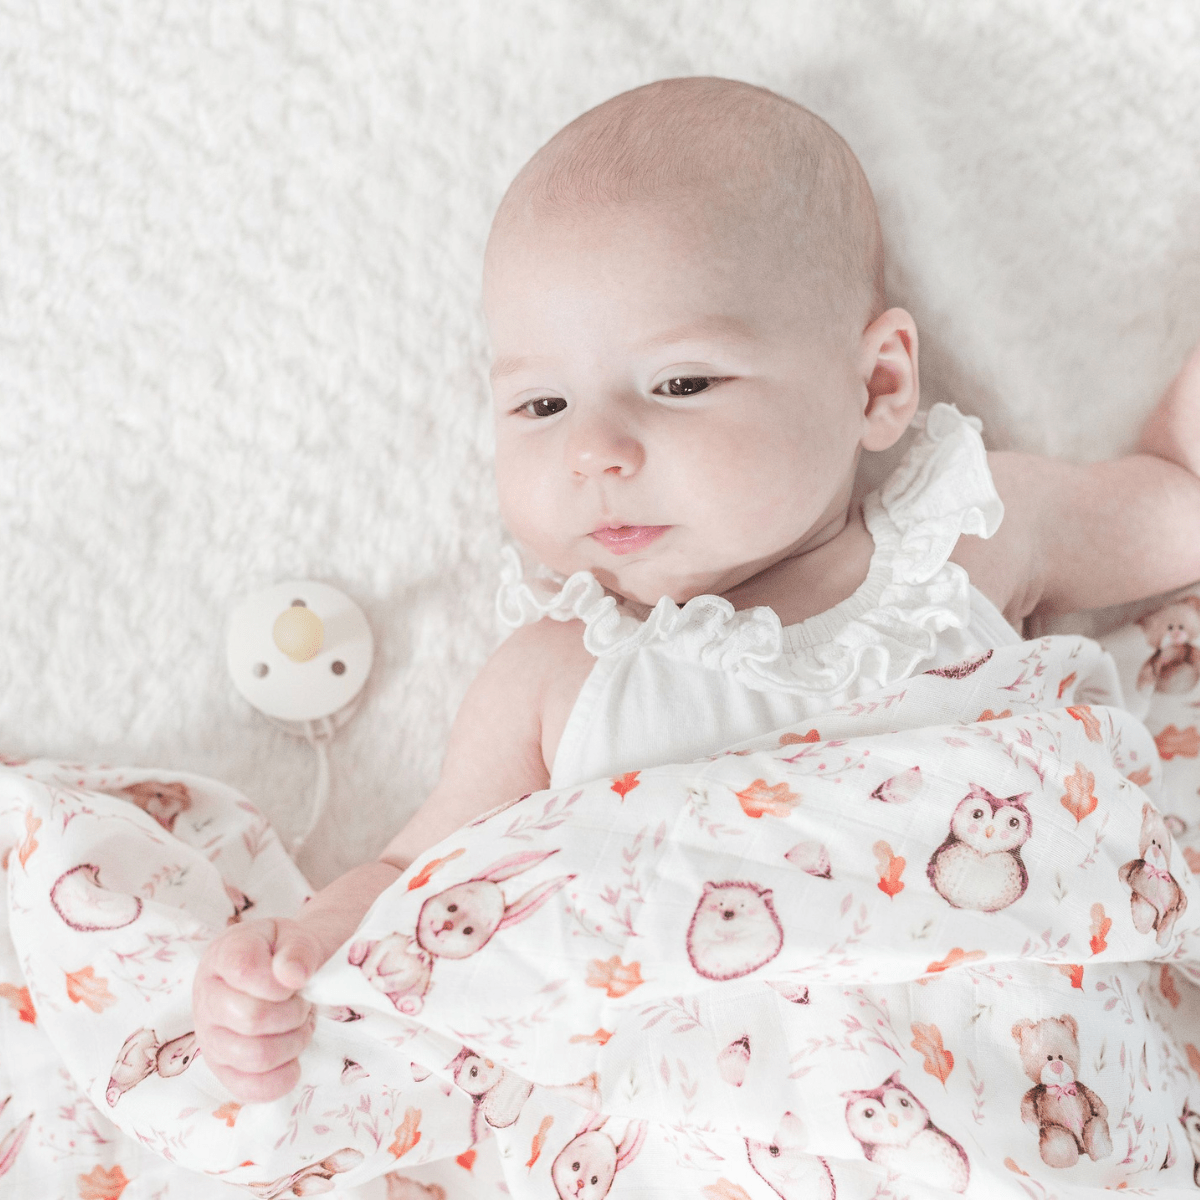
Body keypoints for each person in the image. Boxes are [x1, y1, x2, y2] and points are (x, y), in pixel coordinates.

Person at [192, 76, 1200, 1104]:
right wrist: (298, 952)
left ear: (879, 386)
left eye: (680, 383)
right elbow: (412, 880)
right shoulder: (554, 674)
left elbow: (1176, 499)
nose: (594, 450)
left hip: (1046, 1099)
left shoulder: (970, 540)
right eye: (542, 403)